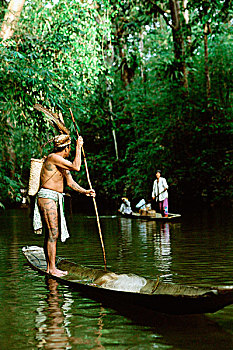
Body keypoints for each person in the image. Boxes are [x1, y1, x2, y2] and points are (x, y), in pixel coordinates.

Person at [33, 134, 95, 277]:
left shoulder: (61, 162)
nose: (70, 151)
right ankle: (52, 268)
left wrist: (85, 191)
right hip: (47, 197)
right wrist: (79, 146)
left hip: (54, 198)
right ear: (66, 148)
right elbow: (77, 167)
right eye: (70, 148)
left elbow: (70, 182)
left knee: (51, 233)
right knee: (53, 233)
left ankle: (51, 266)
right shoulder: (53, 158)